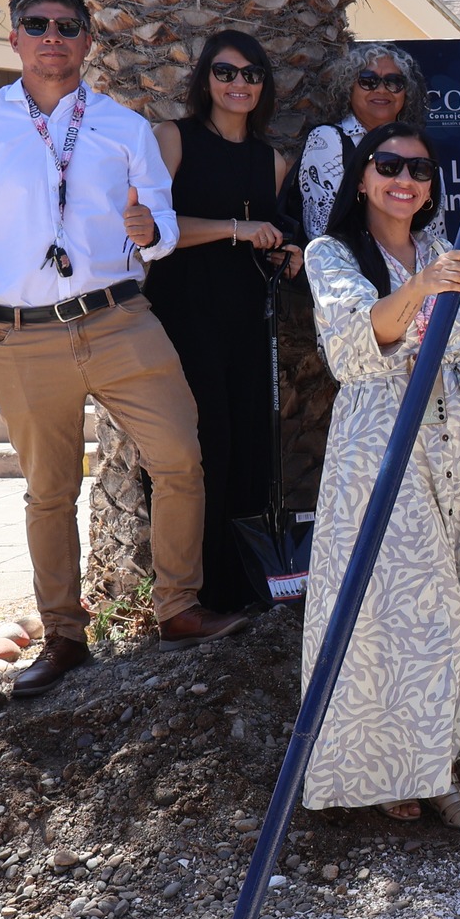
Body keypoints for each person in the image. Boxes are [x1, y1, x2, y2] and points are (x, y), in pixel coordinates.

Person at [0, 0, 245, 699]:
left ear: (89, 40)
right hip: (20, 333)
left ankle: (179, 606)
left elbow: (159, 213)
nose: (53, 35)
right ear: (15, 38)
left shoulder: (123, 126)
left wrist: (150, 230)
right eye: (37, 23)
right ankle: (63, 635)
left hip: (120, 319)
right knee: (49, 490)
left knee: (182, 457)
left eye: (68, 24)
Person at [301, 123, 460, 829]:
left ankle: (442, 766)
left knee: (455, 600)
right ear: (362, 177)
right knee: (396, 612)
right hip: (381, 448)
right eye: (388, 165)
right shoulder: (331, 253)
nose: (406, 178)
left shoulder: (437, 248)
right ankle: (395, 767)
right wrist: (423, 286)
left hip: (458, 447)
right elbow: (355, 344)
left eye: (419, 169)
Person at [145, 31, 303, 614]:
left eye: (252, 74)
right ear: (206, 79)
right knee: (200, 444)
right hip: (184, 314)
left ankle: (245, 585)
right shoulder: (174, 138)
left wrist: (285, 252)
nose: (240, 84)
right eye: (226, 72)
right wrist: (235, 230)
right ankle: (197, 592)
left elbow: (274, 231)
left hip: (247, 317)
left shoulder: (273, 160)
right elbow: (155, 229)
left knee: (248, 443)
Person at [297, 43, 427, 240]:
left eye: (394, 82)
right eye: (368, 81)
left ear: (406, 92)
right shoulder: (328, 140)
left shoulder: (417, 146)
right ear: (349, 88)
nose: (382, 90)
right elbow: (325, 230)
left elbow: (431, 231)